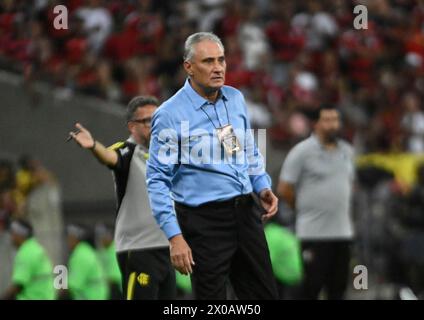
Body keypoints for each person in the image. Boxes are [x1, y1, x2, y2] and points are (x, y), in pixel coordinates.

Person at [146, 32, 279, 300]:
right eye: (208, 61)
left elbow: (246, 149)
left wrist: (261, 184)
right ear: (189, 67)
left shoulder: (235, 98)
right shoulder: (170, 114)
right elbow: (157, 179)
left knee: (264, 296)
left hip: (245, 212)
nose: (218, 67)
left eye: (221, 60)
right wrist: (174, 237)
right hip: (204, 222)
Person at [69, 96, 176, 300]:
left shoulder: (166, 155)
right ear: (132, 126)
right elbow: (110, 158)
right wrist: (93, 146)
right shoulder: (128, 150)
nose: (155, 126)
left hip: (167, 248)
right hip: (140, 249)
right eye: (147, 121)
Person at [277, 105, 355, 300]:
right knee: (311, 287)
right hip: (314, 232)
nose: (332, 125)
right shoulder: (301, 152)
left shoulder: (348, 151)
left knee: (338, 290)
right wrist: (302, 208)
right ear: (316, 124)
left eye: (335, 120)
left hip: (342, 232)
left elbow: (349, 184)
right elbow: (284, 188)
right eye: (327, 120)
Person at [1, 219, 56, 300]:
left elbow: (18, 285)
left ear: (19, 234)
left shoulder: (26, 253)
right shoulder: (35, 247)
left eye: (12, 233)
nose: (11, 238)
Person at [66, 223, 109, 300]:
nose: (67, 240)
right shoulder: (87, 250)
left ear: (75, 238)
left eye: (69, 237)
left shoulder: (81, 254)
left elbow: (73, 285)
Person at [95, 223, 122, 300]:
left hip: (117, 290)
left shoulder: (115, 250)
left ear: (109, 236)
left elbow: (113, 279)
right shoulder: (103, 251)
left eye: (102, 236)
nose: (100, 240)